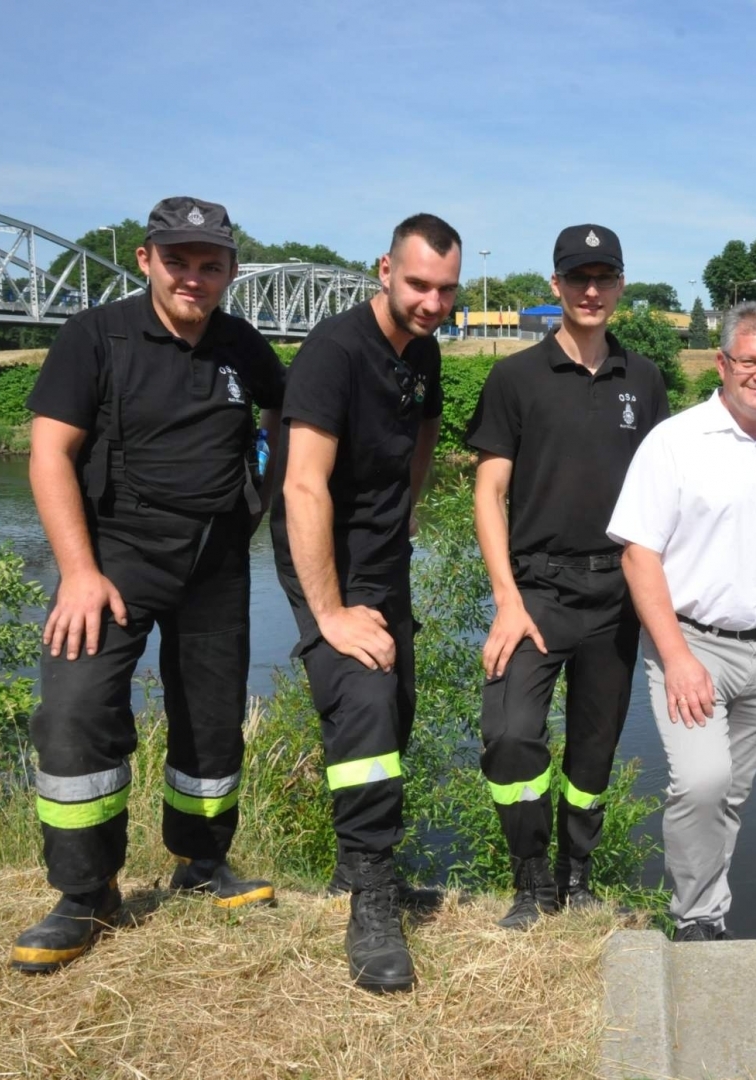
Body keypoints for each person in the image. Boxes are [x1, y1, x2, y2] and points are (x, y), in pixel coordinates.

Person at [12, 197, 284, 974]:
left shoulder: (242, 343)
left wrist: (261, 491)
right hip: (114, 558)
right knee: (74, 712)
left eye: (211, 263)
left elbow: (286, 411)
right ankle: (85, 893)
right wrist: (78, 573)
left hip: (215, 560)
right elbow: (50, 455)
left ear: (231, 268)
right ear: (145, 259)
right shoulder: (94, 336)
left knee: (211, 721)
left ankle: (202, 864)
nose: (193, 277)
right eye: (178, 260)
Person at [270, 213, 460, 993]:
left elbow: (426, 424)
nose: (432, 302)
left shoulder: (425, 350)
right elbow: (302, 483)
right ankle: (374, 903)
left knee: (400, 703)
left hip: (384, 556)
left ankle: (355, 869)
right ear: (384, 269)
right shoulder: (334, 351)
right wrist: (331, 613)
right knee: (366, 702)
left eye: (447, 289)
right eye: (418, 284)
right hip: (326, 559)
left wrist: (407, 505)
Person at [608, 300, 756, 942]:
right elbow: (638, 553)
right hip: (691, 644)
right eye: (750, 361)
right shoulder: (675, 442)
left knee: (730, 795)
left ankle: (710, 908)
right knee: (702, 783)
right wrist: (676, 657)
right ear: (723, 362)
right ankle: (696, 920)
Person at [464, 225, 669, 928]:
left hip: (617, 596)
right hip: (538, 594)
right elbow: (488, 493)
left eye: (603, 277)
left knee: (594, 749)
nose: (590, 290)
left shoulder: (642, 379)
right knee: (512, 735)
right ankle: (530, 882)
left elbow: (665, 498)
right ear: (555, 286)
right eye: (576, 277)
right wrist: (506, 602)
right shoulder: (515, 377)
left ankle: (574, 880)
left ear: (619, 285)